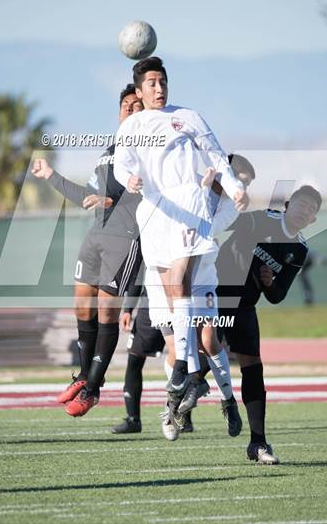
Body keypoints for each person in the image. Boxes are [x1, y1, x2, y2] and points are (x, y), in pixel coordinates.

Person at [113, 57, 249, 419]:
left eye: (163, 81)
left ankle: (182, 373)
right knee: (170, 298)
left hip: (189, 205)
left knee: (180, 284)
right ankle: (191, 374)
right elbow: (120, 163)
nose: (159, 89)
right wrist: (129, 179)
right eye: (152, 84)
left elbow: (216, 155)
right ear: (139, 91)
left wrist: (234, 187)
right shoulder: (132, 126)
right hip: (155, 213)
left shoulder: (188, 116)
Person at [112, 155, 255, 440]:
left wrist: (202, 193)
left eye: (245, 183)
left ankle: (228, 401)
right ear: (222, 170)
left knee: (208, 340)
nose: (239, 187)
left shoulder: (228, 206)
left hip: (200, 277)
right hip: (162, 279)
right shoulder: (173, 188)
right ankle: (174, 405)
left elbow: (205, 228)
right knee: (176, 350)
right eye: (237, 178)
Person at [31, 84, 143, 417]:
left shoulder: (150, 151)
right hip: (96, 235)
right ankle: (83, 376)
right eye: (127, 106)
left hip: (124, 238)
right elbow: (88, 198)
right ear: (119, 111)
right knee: (82, 304)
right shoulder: (109, 151)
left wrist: (115, 200)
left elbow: (154, 193)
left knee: (108, 312)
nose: (131, 111)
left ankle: (93, 387)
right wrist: (51, 175)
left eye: (138, 107)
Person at [216, 184, 322, 464]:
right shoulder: (263, 218)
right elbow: (226, 223)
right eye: (301, 204)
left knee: (254, 369)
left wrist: (268, 282)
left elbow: (277, 297)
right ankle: (183, 403)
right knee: (203, 358)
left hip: (245, 305)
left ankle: (258, 443)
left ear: (314, 220)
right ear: (288, 205)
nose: (305, 211)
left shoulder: (299, 249)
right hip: (215, 295)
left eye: (311, 210)